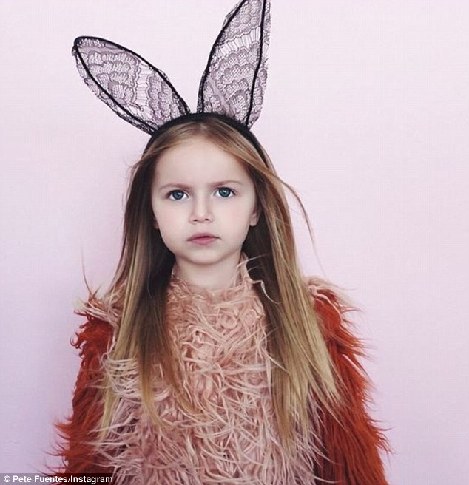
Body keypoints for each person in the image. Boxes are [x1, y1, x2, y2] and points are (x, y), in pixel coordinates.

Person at [55, 1, 389, 483]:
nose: (201, 212)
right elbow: (86, 469)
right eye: (177, 194)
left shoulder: (309, 326)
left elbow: (350, 468)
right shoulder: (116, 334)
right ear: (151, 214)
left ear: (256, 207)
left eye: (224, 192)